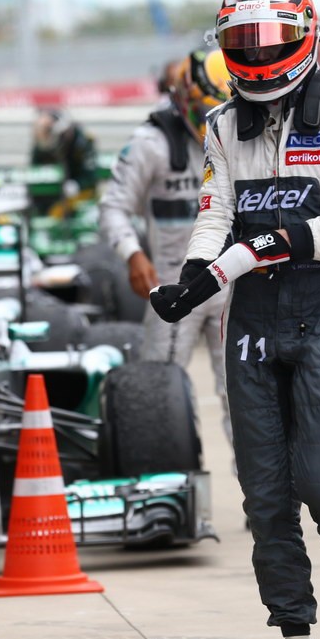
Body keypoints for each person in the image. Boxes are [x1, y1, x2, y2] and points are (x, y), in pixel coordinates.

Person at [149, 0, 320, 639]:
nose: (256, 52)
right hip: (247, 324)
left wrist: (276, 244)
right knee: (265, 497)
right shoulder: (222, 124)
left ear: (306, 36)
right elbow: (218, 213)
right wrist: (192, 273)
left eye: (270, 37)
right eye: (242, 39)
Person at [99, 48, 234, 442]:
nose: (218, 121)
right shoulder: (149, 142)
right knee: (159, 394)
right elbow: (112, 208)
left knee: (249, 398)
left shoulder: (245, 133)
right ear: (189, 99)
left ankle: (263, 500)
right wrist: (133, 254)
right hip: (174, 288)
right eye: (211, 110)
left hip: (237, 285)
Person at [29, 108, 100, 193]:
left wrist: (77, 184)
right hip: (53, 192)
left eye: (48, 131)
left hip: (79, 190)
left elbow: (91, 173)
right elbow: (34, 171)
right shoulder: (41, 144)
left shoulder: (82, 142)